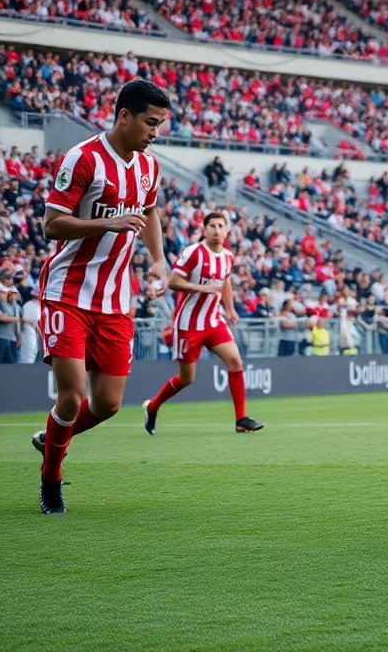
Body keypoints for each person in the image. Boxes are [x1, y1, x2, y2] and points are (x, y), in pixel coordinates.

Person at [29, 80, 171, 515]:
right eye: (151, 122)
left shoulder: (148, 167)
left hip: (114, 299)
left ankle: (51, 436)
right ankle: (50, 482)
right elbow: (52, 225)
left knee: (108, 403)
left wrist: (158, 260)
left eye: (161, 124)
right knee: (70, 397)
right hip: (67, 293)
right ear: (124, 116)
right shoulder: (82, 159)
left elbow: (147, 213)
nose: (155, 132)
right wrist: (104, 225)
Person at [143, 211, 262, 435]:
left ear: (227, 231)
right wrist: (203, 288)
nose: (217, 230)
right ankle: (153, 406)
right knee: (187, 378)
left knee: (235, 361)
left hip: (213, 320)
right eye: (213, 226)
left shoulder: (227, 256)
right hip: (188, 324)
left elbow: (225, 281)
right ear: (204, 230)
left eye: (221, 226)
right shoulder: (194, 253)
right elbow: (174, 282)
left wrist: (229, 308)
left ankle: (241, 419)